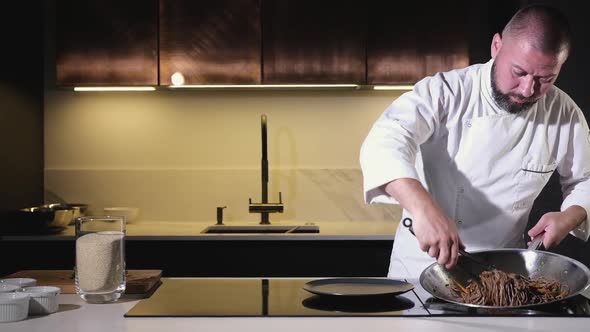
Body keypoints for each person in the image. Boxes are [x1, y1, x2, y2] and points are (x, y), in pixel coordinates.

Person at [360, 4, 590, 279]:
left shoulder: (564, 113)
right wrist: (423, 208)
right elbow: (385, 140)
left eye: (545, 79)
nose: (529, 89)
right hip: (419, 269)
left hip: (502, 276)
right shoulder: (445, 92)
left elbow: (585, 180)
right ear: (496, 46)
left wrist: (569, 216)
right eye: (518, 72)